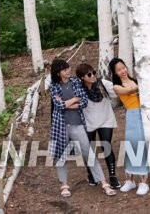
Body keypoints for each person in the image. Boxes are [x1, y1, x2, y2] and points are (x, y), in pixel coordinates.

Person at [48, 58, 117, 197]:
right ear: (58, 73)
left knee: (88, 152)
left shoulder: (75, 82)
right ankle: (64, 184)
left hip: (77, 124)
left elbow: (84, 100)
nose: (68, 71)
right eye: (65, 69)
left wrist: (68, 103)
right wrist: (74, 100)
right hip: (60, 125)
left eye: (68, 68)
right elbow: (58, 105)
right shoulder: (54, 86)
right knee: (61, 155)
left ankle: (103, 182)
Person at [108, 57, 150, 195]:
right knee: (132, 145)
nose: (122, 71)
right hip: (132, 116)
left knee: (143, 146)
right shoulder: (116, 86)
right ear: (115, 73)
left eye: (123, 67)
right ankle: (130, 180)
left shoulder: (134, 80)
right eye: (119, 70)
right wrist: (142, 84)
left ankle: (144, 181)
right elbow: (128, 92)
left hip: (144, 114)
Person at [75, 63, 121, 189]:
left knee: (106, 145)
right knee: (89, 149)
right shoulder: (78, 88)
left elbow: (117, 91)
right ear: (82, 77)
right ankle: (91, 174)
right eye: (89, 74)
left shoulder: (103, 84)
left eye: (94, 72)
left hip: (105, 119)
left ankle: (113, 176)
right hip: (88, 122)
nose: (93, 76)